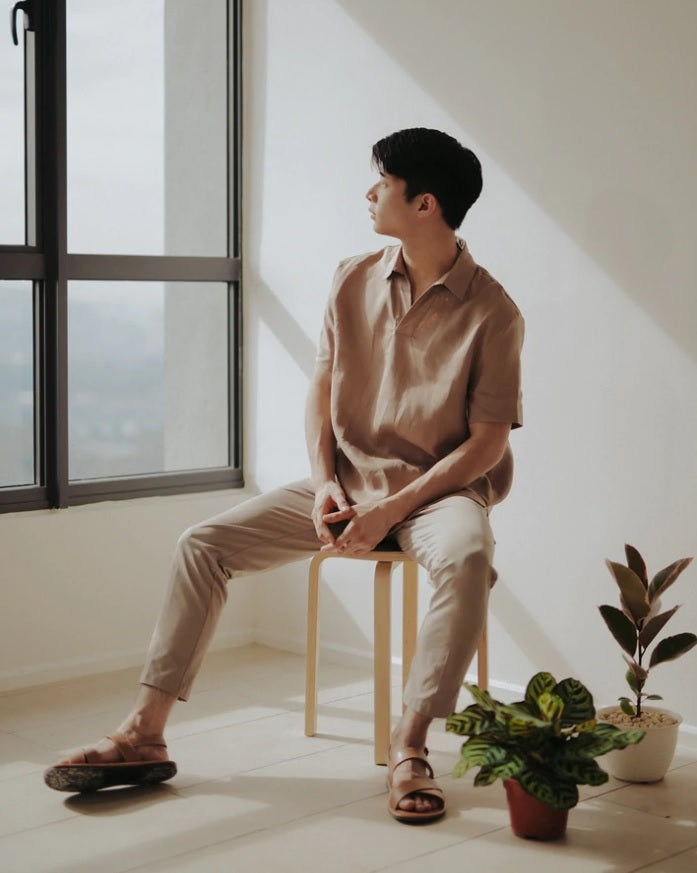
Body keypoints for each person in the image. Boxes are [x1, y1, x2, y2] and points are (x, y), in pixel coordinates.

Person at [44, 127, 524, 825]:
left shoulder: (494, 311)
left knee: (470, 554)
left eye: (383, 182)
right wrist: (325, 481)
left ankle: (411, 745)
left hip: (436, 492)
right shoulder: (352, 277)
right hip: (346, 481)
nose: (369, 193)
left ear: (425, 204)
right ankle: (144, 733)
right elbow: (322, 388)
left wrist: (392, 509)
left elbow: (485, 445)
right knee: (203, 543)